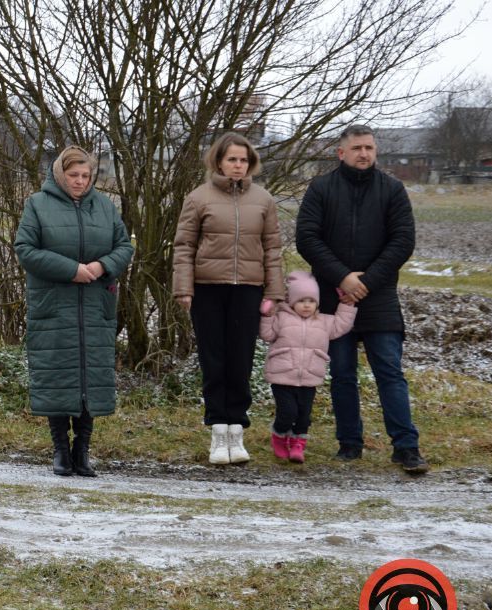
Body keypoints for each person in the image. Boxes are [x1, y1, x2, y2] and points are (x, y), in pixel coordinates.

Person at [295, 124, 428, 473]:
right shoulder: (321, 188)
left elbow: (402, 241)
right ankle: (350, 444)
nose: (364, 154)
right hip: (332, 297)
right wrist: (342, 277)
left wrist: (366, 282)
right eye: (356, 148)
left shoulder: (393, 190)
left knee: (389, 372)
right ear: (341, 153)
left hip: (379, 297)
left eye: (369, 147)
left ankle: (406, 447)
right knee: (341, 373)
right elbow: (307, 238)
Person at [15, 146, 134, 477]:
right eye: (73, 175)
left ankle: (83, 450)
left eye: (86, 176)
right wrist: (71, 270)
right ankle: (60, 450)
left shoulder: (105, 207)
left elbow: (124, 246)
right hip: (54, 304)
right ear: (59, 174)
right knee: (59, 375)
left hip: (95, 303)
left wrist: (101, 265)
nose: (80, 181)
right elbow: (25, 250)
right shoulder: (37, 205)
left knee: (89, 377)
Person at [173, 131, 284, 466]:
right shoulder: (198, 198)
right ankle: (217, 432)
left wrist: (275, 290)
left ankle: (237, 431)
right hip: (208, 289)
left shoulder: (263, 200)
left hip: (247, 290)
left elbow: (273, 249)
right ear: (218, 161)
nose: (238, 165)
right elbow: (184, 247)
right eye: (231, 159)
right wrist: (184, 287)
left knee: (240, 361)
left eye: (243, 160)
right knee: (214, 361)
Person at [259, 271, 357, 463]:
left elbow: (342, 325)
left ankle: (297, 444)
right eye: (301, 300)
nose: (306, 305)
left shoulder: (324, 322)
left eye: (311, 301)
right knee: (287, 413)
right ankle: (279, 435)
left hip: (310, 377)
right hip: (282, 375)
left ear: (317, 303)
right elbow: (267, 334)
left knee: (304, 415)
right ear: (291, 301)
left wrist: (347, 304)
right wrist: (268, 314)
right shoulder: (282, 318)